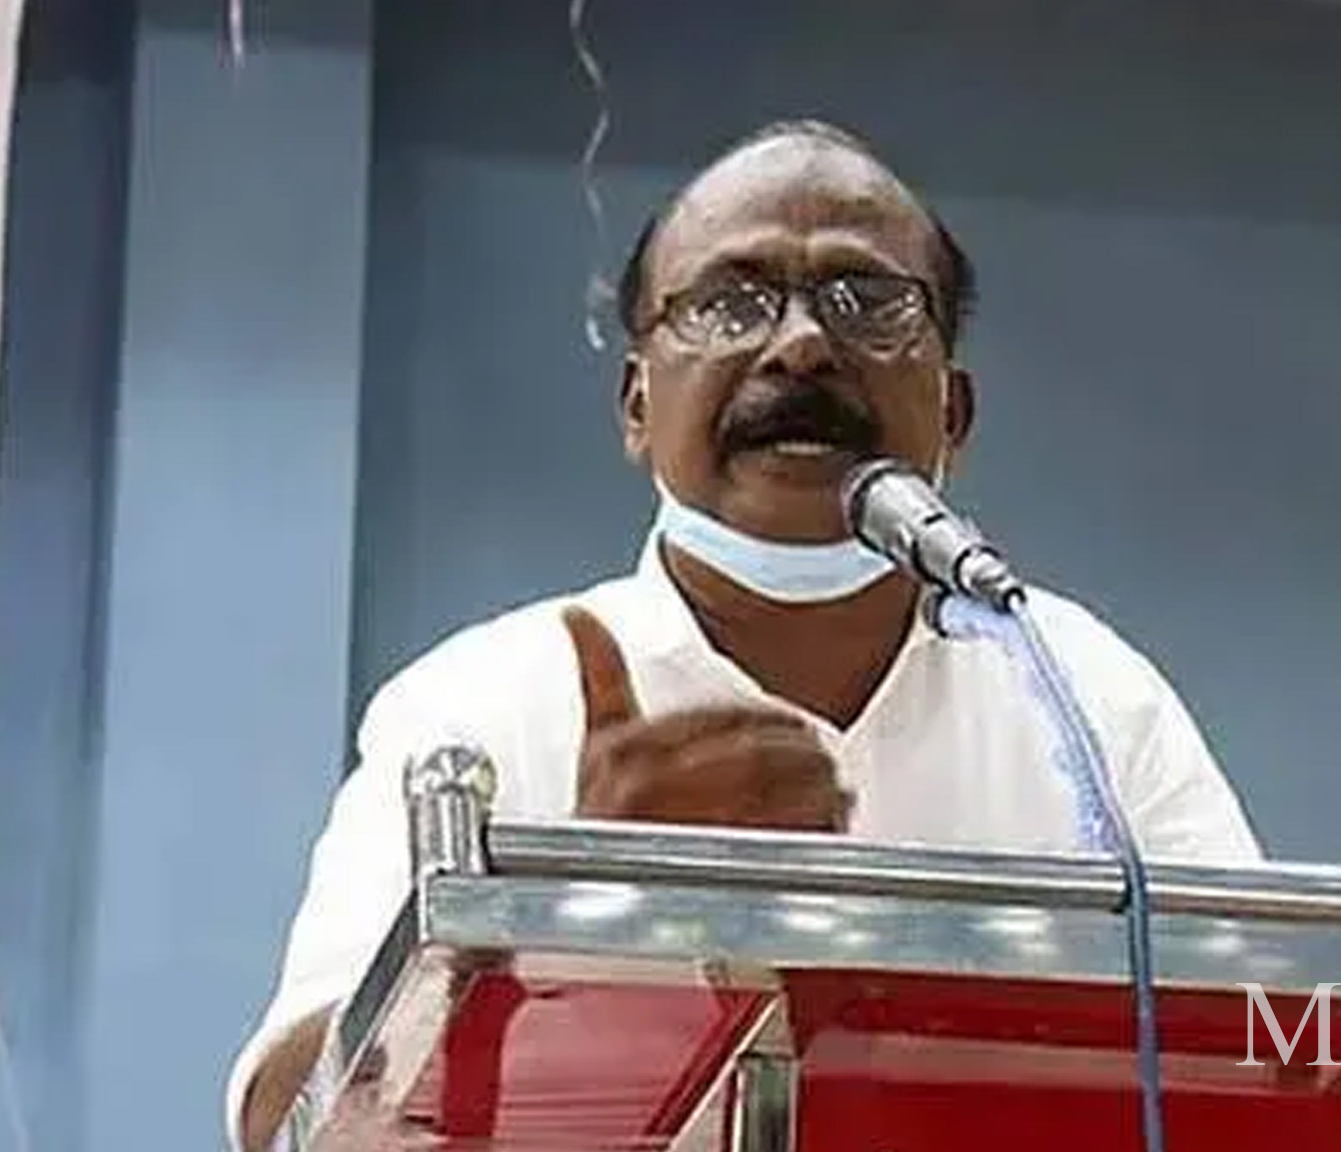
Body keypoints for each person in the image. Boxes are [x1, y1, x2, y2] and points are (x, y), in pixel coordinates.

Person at [225, 118, 1262, 1151]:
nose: (801, 344)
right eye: (730, 302)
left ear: (952, 409)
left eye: (868, 302)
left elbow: (1274, 1050)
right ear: (637, 404)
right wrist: (568, 924)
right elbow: (289, 1122)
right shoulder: (480, 701)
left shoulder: (1085, 696)